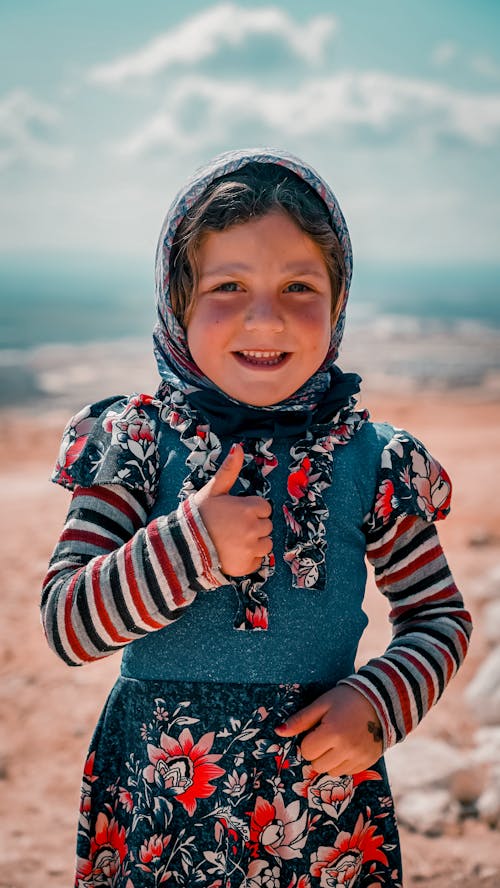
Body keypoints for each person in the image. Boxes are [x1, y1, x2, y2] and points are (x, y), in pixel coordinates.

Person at [41, 148, 472, 888]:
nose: (264, 317)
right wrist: (190, 546)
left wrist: (377, 706)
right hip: (160, 801)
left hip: (323, 807)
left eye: (299, 285)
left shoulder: (375, 461)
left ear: (338, 304)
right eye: (227, 285)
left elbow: (439, 618)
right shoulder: (134, 444)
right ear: (177, 303)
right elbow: (67, 625)